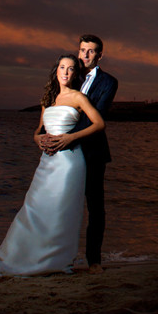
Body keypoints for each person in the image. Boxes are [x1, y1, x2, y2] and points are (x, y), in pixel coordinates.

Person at [0, 54, 105, 278]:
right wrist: (37, 139)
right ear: (56, 71)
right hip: (47, 161)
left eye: (71, 68)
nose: (66, 72)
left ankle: (56, 261)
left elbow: (99, 124)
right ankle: (26, 259)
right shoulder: (48, 99)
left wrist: (70, 138)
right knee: (34, 209)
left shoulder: (78, 97)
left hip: (69, 161)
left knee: (60, 211)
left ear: (76, 74)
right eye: (62, 67)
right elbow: (39, 130)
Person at [39, 34, 118, 274]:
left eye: (91, 51)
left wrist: (68, 136)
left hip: (92, 152)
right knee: (57, 204)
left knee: (95, 207)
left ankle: (94, 260)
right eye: (82, 49)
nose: (85, 55)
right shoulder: (69, 75)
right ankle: (51, 257)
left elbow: (97, 116)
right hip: (62, 154)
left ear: (99, 55)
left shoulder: (108, 82)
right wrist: (47, 137)